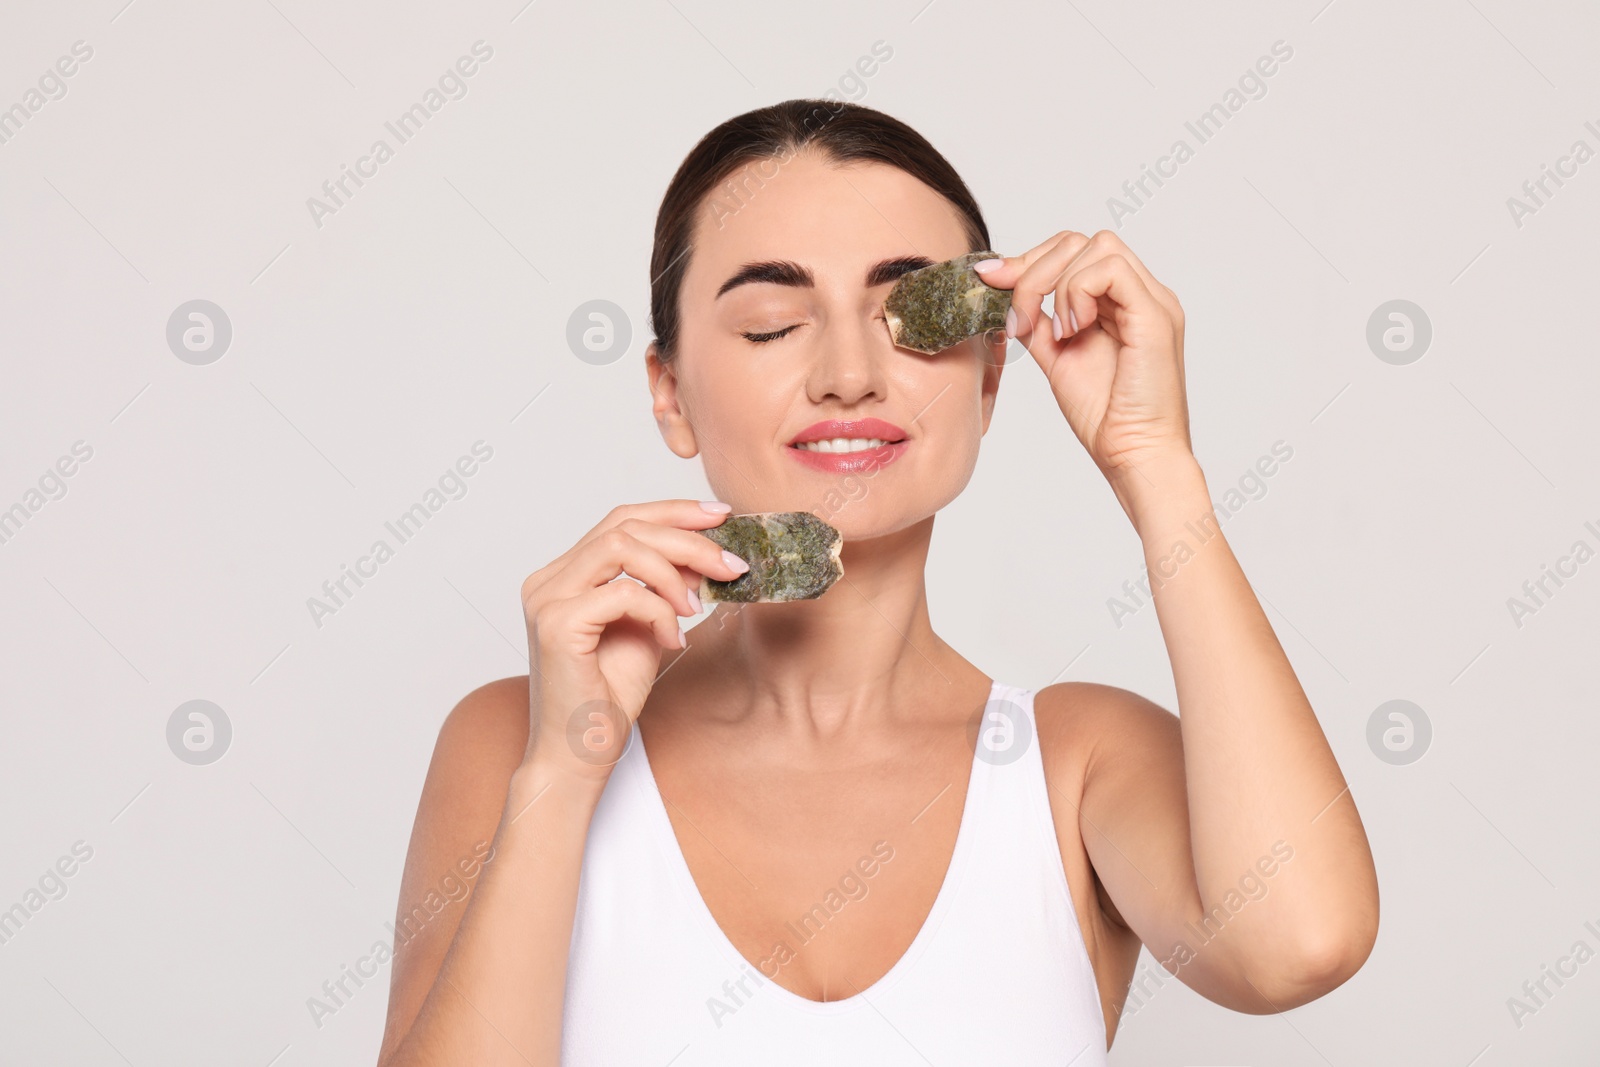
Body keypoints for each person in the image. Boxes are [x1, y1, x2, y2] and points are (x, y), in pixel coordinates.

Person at [374, 98, 1379, 1066]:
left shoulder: (1075, 764)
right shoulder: (515, 740)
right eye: (772, 324)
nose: (849, 372)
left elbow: (1300, 943)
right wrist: (563, 768)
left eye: (913, 317)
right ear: (669, 393)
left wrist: (1157, 464)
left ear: (990, 379)